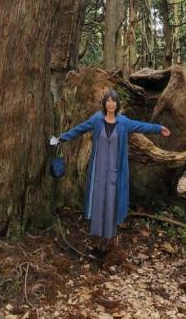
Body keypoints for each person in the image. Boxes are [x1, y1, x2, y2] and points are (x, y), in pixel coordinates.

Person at [58, 89, 171, 251]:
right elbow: (80, 129)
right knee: (97, 201)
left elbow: (141, 126)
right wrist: (62, 138)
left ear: (117, 104)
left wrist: (159, 128)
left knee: (111, 201)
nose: (111, 104)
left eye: (114, 101)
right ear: (104, 103)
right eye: (108, 101)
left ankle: (108, 240)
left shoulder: (123, 122)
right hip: (98, 171)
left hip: (114, 172)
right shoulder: (97, 119)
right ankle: (96, 238)